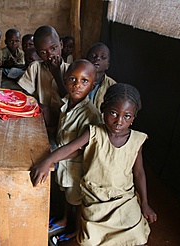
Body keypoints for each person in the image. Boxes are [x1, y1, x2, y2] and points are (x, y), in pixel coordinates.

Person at [30, 83, 157, 245]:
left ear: (133, 118)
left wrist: (145, 203)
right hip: (95, 197)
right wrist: (47, 161)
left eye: (127, 116)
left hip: (123, 198)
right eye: (113, 113)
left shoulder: (137, 140)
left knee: (137, 236)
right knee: (90, 240)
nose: (119, 121)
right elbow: (69, 148)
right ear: (103, 110)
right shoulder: (94, 132)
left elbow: (139, 172)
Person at [49, 60, 102, 241]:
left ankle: (77, 231)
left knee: (77, 200)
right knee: (66, 194)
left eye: (84, 81)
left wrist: (54, 158)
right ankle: (64, 220)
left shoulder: (90, 114)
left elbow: (80, 150)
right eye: (72, 79)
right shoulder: (66, 103)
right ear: (65, 80)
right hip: (64, 163)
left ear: (92, 85)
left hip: (76, 168)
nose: (77, 85)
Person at [17, 25, 69, 132]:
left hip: (63, 125)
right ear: (38, 53)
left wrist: (57, 76)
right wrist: (38, 105)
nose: (50, 55)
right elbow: (24, 95)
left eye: (53, 48)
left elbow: (70, 100)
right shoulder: (35, 68)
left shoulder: (71, 71)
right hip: (39, 121)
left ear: (61, 44)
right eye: (43, 53)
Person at [86, 42, 116, 113]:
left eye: (103, 57)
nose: (97, 58)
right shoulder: (78, 79)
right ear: (86, 60)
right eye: (93, 56)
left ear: (107, 65)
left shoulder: (112, 86)